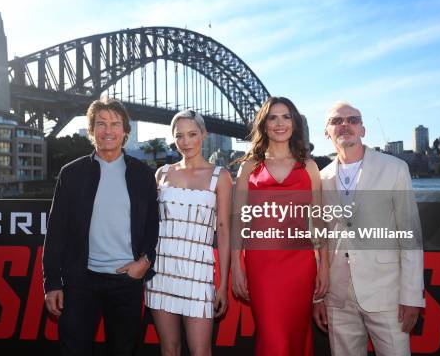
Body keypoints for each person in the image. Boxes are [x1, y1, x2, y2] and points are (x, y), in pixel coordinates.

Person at [42, 97, 159, 356]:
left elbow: (153, 225)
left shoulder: (142, 174)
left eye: (115, 124)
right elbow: (56, 231)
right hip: (81, 282)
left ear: (125, 131)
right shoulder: (71, 173)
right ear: (92, 130)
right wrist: (52, 282)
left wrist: (145, 261)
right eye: (101, 123)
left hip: (126, 280)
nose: (108, 130)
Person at [313, 101, 425, 356]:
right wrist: (318, 297)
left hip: (387, 293)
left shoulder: (394, 169)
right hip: (337, 295)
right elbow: (319, 240)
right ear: (326, 132)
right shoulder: (321, 178)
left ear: (363, 129)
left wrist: (411, 296)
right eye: (336, 121)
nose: (345, 125)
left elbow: (410, 235)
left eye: (352, 120)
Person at [231, 97, 329, 356]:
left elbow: (318, 220)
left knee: (296, 337)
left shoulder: (309, 167)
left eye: (286, 117)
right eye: (273, 117)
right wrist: (237, 267)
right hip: (261, 264)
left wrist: (324, 267)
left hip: (300, 264)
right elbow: (238, 220)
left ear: (294, 123)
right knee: (274, 340)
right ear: (264, 125)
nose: (279, 123)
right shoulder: (249, 167)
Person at [145, 109, 233, 356]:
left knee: (200, 351)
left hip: (199, 272)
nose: (186, 142)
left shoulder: (220, 176)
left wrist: (223, 284)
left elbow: (224, 231)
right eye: (179, 136)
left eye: (192, 134)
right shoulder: (161, 174)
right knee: (169, 348)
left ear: (204, 134)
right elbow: (149, 225)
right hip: (161, 271)